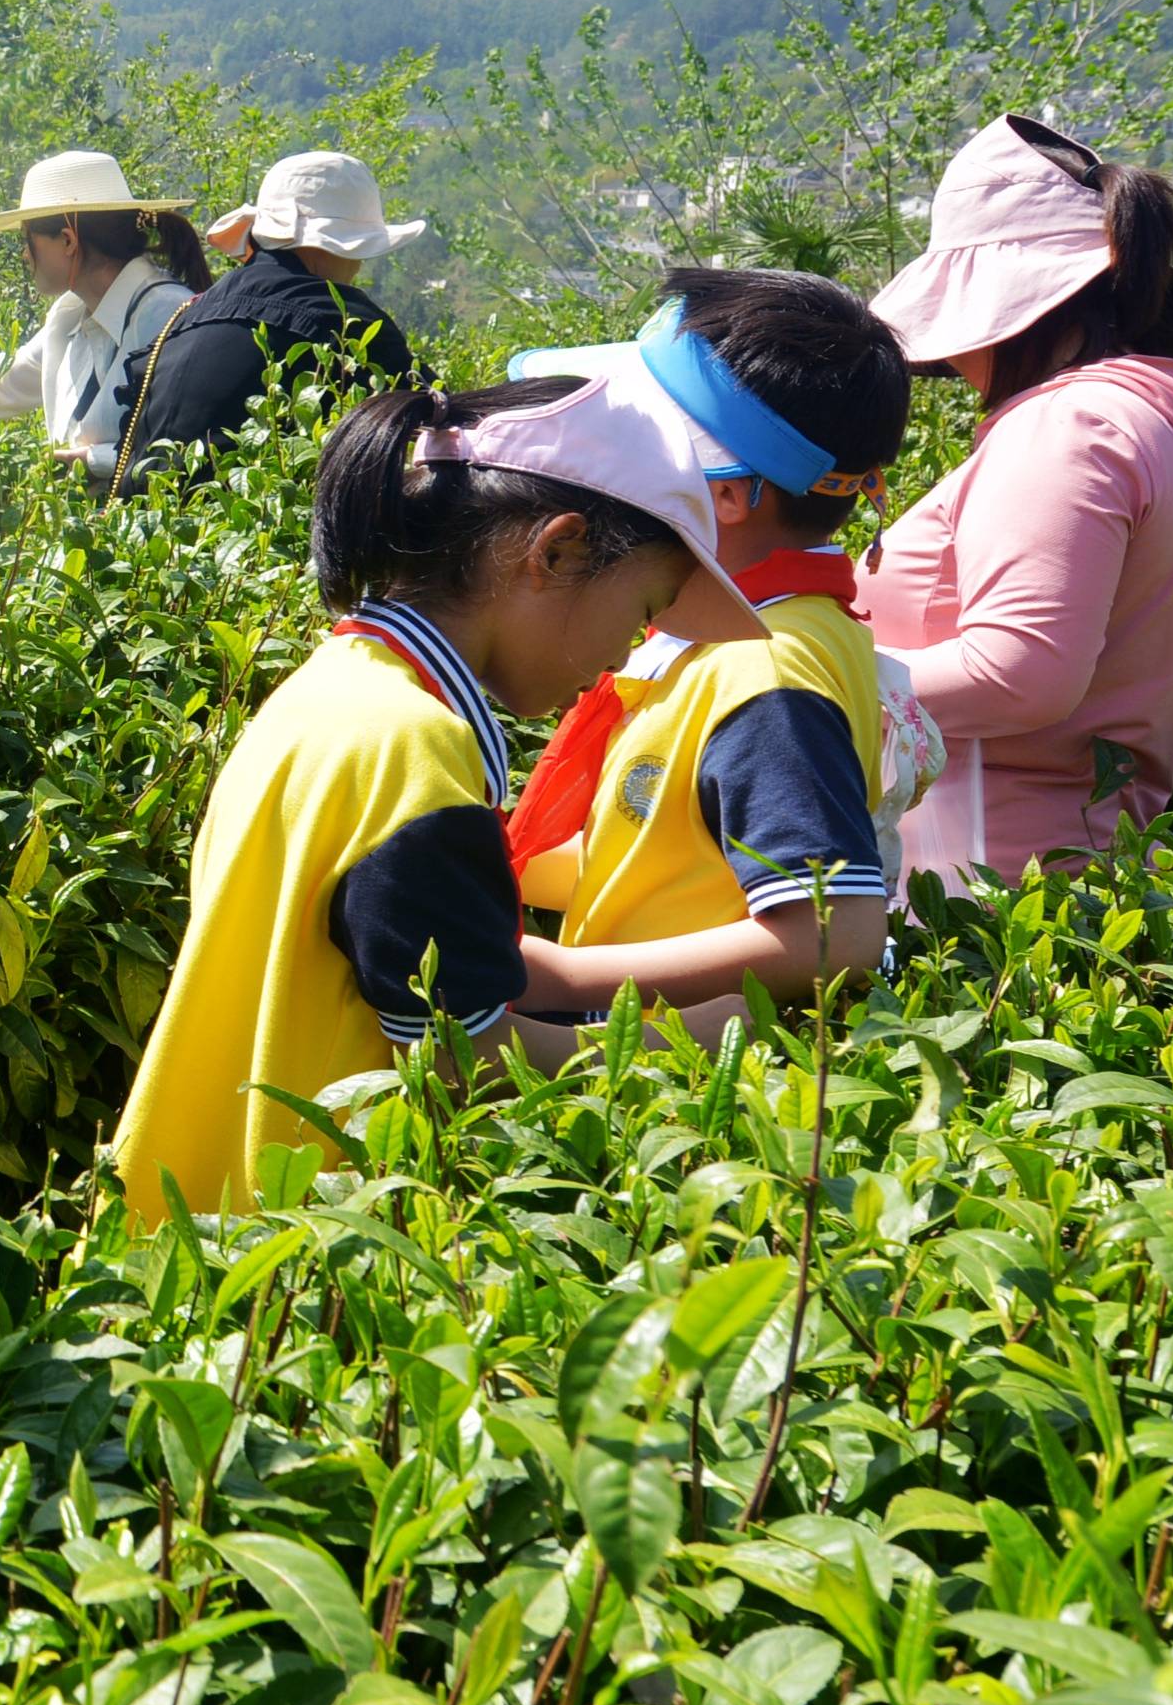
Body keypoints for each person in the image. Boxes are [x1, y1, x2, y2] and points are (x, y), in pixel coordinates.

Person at [107, 361, 730, 1222]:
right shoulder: (417, 750)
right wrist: (693, 1038)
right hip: (283, 1260)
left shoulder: (336, 686)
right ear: (555, 550)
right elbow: (460, 1053)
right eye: (643, 611)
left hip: (188, 1199)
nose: (627, 655)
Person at [864, 116, 1173, 884]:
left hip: (975, 879)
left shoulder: (1067, 426)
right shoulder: (1160, 419)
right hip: (1072, 868)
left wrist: (794, 684)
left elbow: (1019, 671)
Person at [507, 269, 912, 1015]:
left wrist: (555, 979)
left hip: (674, 1091)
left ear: (724, 491)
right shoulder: (746, 630)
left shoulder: (765, 666)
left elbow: (837, 934)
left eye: (630, 436)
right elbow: (664, 858)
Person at [0, 148, 209, 473]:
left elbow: (196, 443)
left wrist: (99, 462)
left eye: (26, 239)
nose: (24, 255)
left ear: (68, 241)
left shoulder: (169, 316)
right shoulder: (70, 315)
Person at [113, 146, 423, 490]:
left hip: (145, 531)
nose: (359, 265)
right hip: (242, 533)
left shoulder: (192, 313)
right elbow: (433, 423)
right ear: (332, 246)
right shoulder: (343, 321)